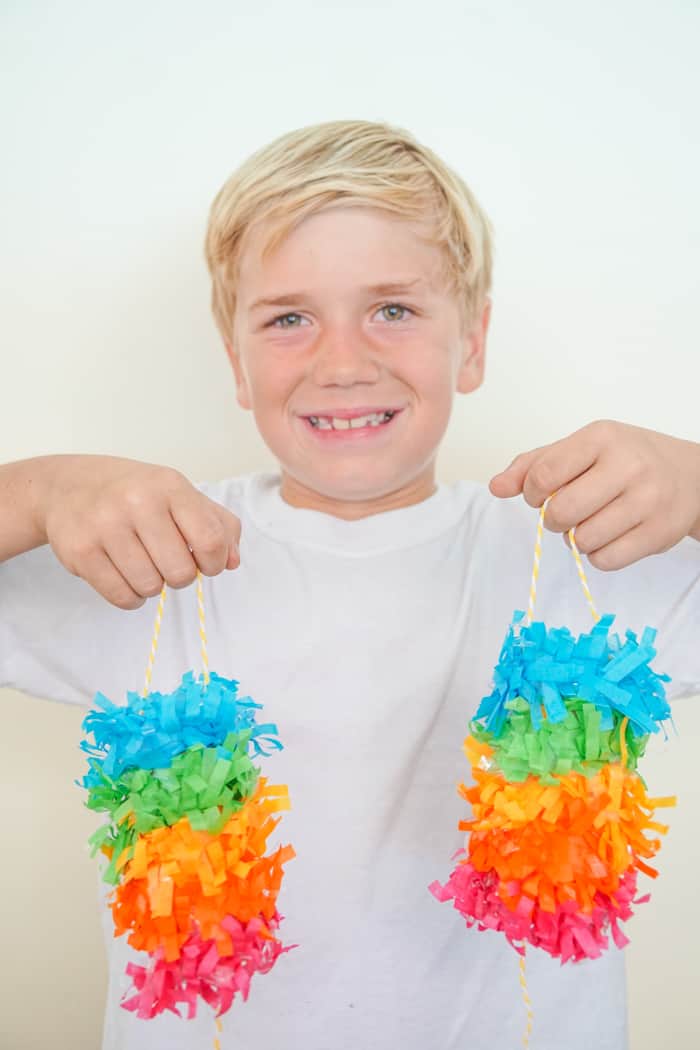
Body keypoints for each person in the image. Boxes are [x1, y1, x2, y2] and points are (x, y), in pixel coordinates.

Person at [1, 119, 699, 1050]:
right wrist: (38, 491)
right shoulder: (140, 548)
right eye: (289, 317)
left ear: (475, 341)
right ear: (234, 362)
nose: (341, 361)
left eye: (394, 310)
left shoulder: (592, 550)